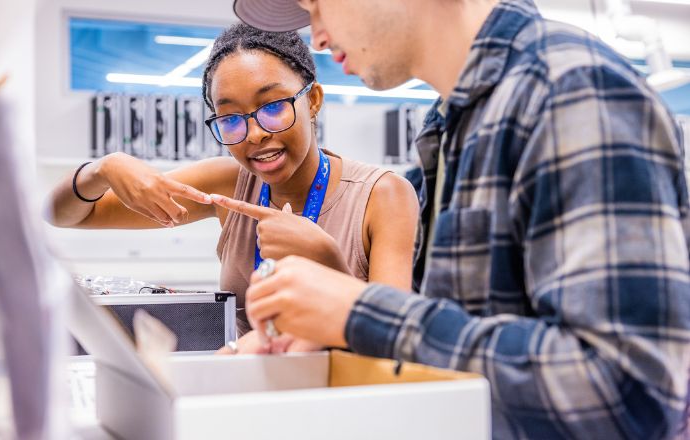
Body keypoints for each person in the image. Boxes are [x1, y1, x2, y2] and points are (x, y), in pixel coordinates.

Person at [230, 0, 690, 437]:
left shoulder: (571, 92)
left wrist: (360, 314)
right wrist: (332, 337)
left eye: (319, 4)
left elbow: (627, 394)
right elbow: (472, 348)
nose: (320, 34)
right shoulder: (453, 126)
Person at [46, 23, 419, 351]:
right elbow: (64, 214)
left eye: (273, 107)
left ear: (314, 101)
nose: (254, 134)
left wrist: (327, 262)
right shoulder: (231, 183)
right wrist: (102, 169)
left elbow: (395, 342)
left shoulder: (382, 194)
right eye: (231, 118)